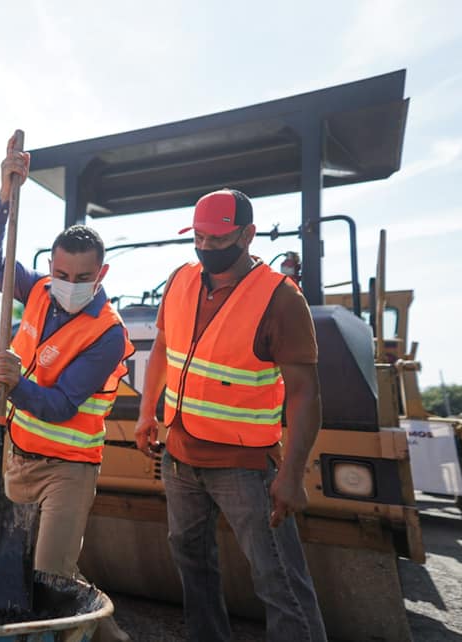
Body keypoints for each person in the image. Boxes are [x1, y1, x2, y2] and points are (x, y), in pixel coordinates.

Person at [134, 188, 327, 641]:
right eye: (199, 238)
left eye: (219, 240)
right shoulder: (180, 280)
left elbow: (305, 394)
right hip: (179, 458)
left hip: (245, 468)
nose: (207, 248)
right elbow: (162, 348)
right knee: (192, 565)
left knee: (279, 580)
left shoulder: (281, 298)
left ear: (248, 234)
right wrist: (147, 413)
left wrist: (292, 475)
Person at [0, 134, 135, 642]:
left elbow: (62, 405)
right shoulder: (40, 291)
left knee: (48, 579)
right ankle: (112, 637)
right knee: (50, 572)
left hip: (68, 470)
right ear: (50, 267)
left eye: (82, 276)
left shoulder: (108, 335)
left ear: (101, 273)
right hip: (19, 459)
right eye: (61, 272)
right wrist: (5, 195)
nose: (69, 283)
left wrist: (15, 382)